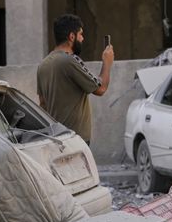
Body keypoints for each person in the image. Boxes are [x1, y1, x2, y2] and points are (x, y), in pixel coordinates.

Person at [36, 14, 114, 145]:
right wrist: (107, 62)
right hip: (75, 140)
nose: (82, 39)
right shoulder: (70, 61)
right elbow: (101, 89)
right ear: (71, 37)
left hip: (55, 138)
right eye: (80, 34)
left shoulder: (43, 65)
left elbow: (43, 104)